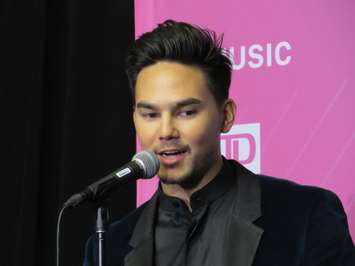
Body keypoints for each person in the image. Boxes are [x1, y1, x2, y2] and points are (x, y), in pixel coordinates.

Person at [84, 20, 355, 266]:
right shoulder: (109, 247)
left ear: (226, 116)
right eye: (150, 114)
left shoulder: (306, 215)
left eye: (186, 112)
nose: (165, 131)